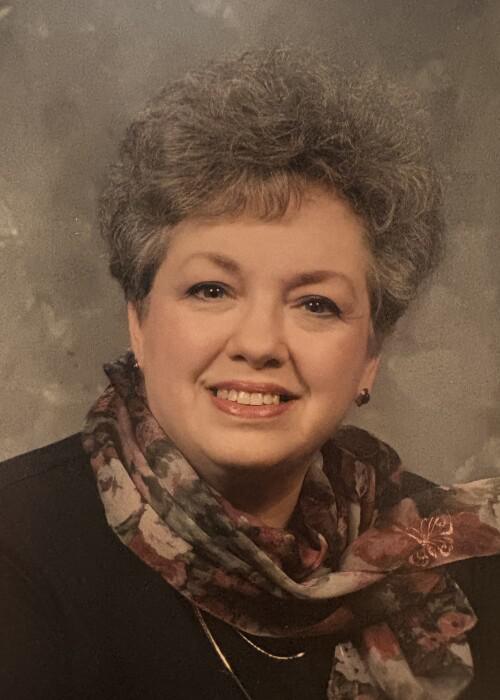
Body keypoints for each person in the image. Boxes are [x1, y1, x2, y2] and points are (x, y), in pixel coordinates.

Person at [1, 47, 499, 700]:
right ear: (139, 323)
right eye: (212, 290)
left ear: (369, 356)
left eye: (316, 304)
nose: (260, 343)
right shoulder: (17, 550)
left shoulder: (450, 557)